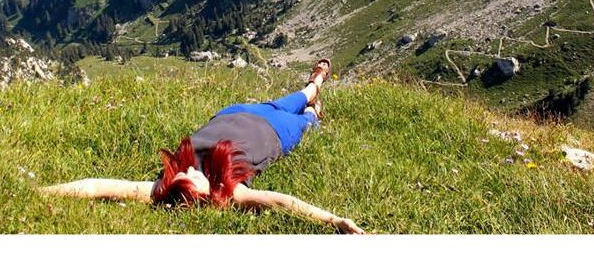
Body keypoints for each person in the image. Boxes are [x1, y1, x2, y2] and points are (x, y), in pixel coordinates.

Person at [40, 58, 366, 234]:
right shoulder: (231, 192)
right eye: (193, 179)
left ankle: (316, 82)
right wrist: (334, 220)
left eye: (183, 175)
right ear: (202, 197)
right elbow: (282, 202)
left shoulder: (163, 186)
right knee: (307, 118)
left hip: (238, 112)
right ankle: (315, 110)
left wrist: (44, 193)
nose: (190, 171)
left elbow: (99, 186)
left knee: (300, 96)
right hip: (274, 133)